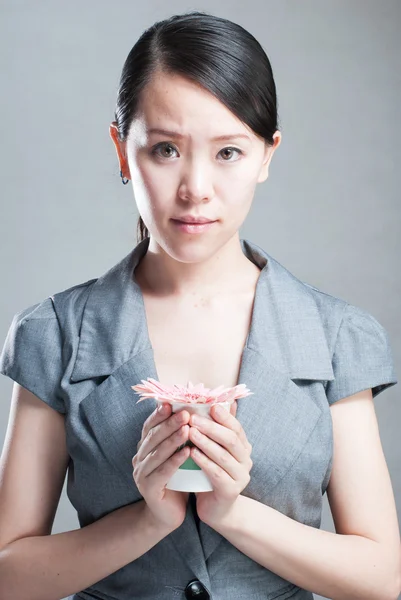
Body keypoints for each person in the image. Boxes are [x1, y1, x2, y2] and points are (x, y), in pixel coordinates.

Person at [0, 9, 399, 600]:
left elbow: (383, 577)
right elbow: (8, 574)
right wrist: (148, 519)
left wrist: (231, 512)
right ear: (120, 148)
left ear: (267, 155)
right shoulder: (54, 333)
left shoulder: (335, 335)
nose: (195, 188)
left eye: (229, 152)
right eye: (164, 149)